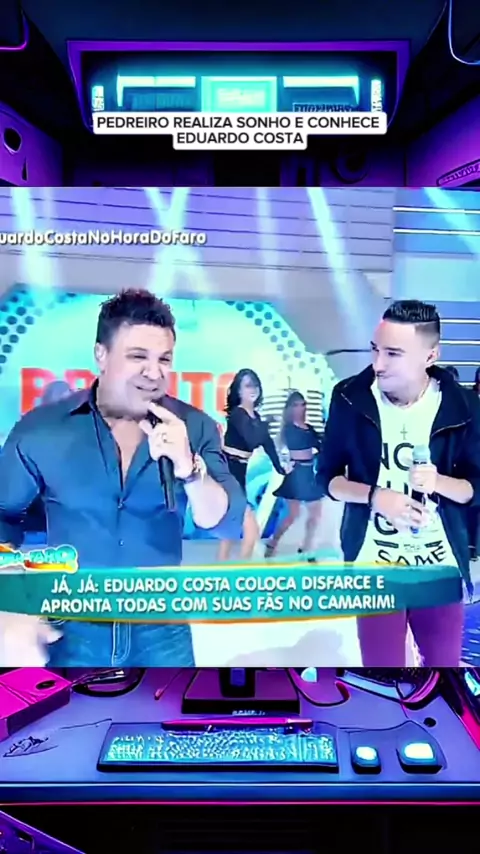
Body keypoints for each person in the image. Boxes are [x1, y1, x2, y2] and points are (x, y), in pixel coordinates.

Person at [0, 289, 246, 666]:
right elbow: (4, 516)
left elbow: (226, 523)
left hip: (162, 627)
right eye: (138, 357)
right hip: (71, 623)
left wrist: (189, 469)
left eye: (164, 359)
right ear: (101, 355)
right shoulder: (42, 429)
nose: (154, 372)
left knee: (172, 707)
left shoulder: (194, 427)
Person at [319, 299, 480, 667]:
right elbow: (327, 478)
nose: (378, 364)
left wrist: (438, 481)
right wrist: (376, 497)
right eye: (375, 350)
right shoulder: (349, 397)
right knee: (383, 677)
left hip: (439, 566)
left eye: (393, 353)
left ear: (430, 356)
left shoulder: (464, 406)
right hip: (375, 565)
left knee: (442, 672)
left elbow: (475, 486)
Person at [217, 368, 288, 561]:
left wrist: (280, 467)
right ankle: (241, 570)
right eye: (248, 385)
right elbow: (253, 439)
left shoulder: (255, 416)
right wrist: (266, 426)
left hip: (237, 473)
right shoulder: (238, 414)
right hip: (228, 473)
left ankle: (221, 570)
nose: (253, 389)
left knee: (230, 529)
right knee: (250, 530)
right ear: (239, 391)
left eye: (255, 385)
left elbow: (267, 443)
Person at [265, 391, 324, 561]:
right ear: (290, 408)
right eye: (296, 405)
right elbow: (300, 444)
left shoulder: (309, 428)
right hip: (297, 474)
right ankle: (273, 542)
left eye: (303, 404)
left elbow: (320, 445)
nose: (300, 408)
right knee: (292, 515)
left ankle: (307, 547)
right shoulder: (289, 429)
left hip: (309, 473)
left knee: (315, 514)